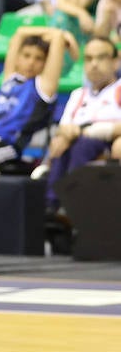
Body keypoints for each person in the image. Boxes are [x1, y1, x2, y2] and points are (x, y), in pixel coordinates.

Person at [0, 27, 70, 178]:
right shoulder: (10, 79)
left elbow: (57, 37)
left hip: (4, 143)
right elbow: (19, 33)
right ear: (17, 57)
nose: (31, 62)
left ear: (45, 63)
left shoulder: (43, 87)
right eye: (26, 55)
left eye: (39, 58)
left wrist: (62, 37)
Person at [42, 37, 121, 222]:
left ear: (115, 62)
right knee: (60, 144)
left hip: (106, 143)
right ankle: (50, 207)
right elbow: (64, 126)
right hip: (76, 143)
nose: (94, 64)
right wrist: (65, 134)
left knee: (82, 144)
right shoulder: (78, 94)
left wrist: (95, 131)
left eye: (101, 58)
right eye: (89, 58)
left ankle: (70, 205)